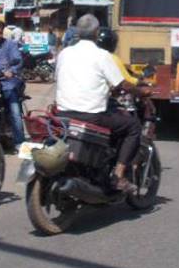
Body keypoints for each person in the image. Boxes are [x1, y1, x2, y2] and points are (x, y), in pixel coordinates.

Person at [55, 15, 152, 194]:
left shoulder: (64, 53)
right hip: (92, 115)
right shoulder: (102, 55)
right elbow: (122, 84)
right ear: (96, 33)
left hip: (63, 114)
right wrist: (142, 92)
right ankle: (118, 176)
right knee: (132, 126)